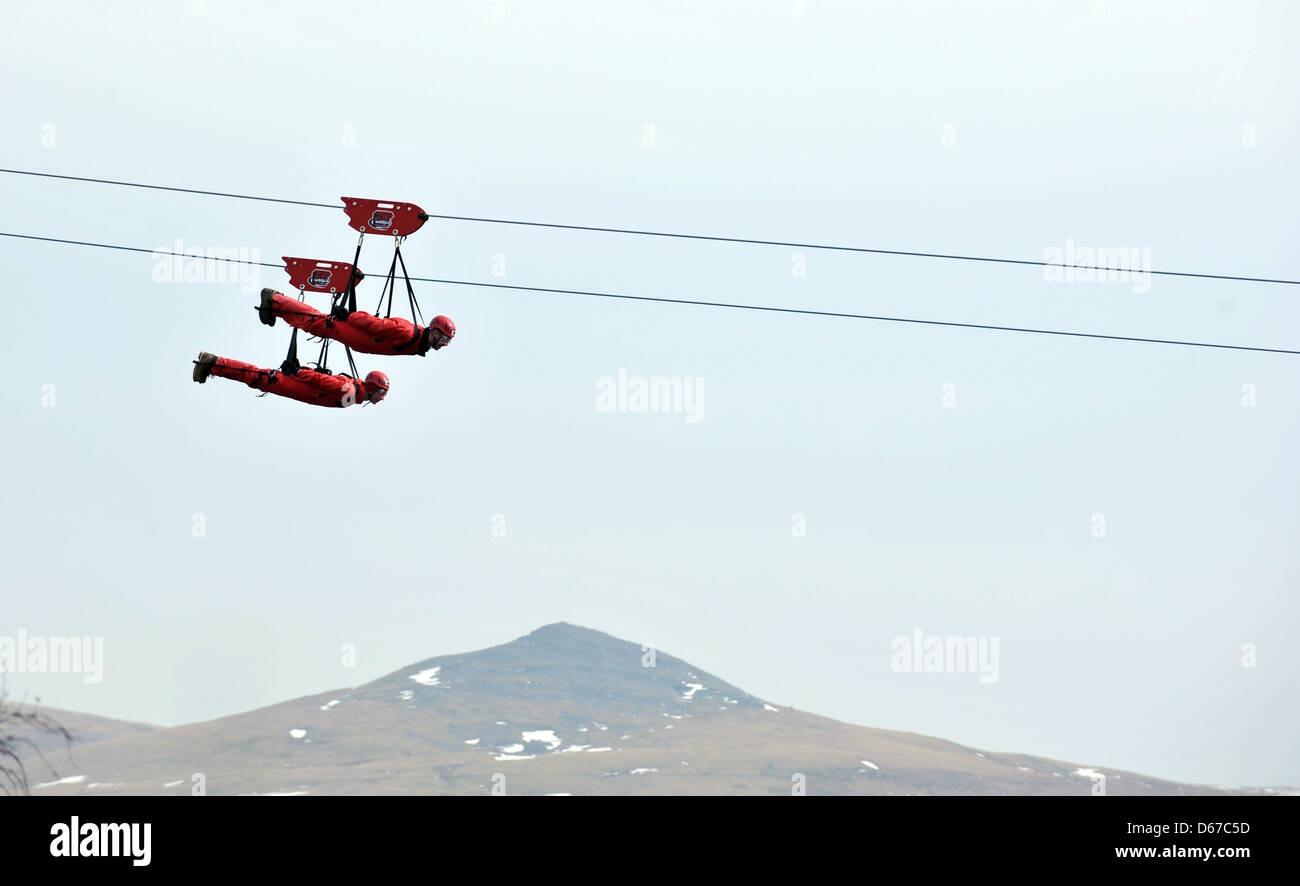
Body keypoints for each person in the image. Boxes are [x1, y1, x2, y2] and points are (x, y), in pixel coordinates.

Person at [257, 288, 455, 357]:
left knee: (313, 323)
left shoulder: (417, 342)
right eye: (444, 339)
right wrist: (348, 317)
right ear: (435, 332)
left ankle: (276, 306)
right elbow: (375, 324)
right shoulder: (407, 332)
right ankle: (274, 300)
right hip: (352, 331)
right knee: (314, 321)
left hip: (355, 337)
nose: (444, 344)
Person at [192, 351, 389, 408]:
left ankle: (214, 365)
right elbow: (323, 382)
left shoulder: (355, 395)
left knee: (256, 377)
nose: (381, 398)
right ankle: (213, 363)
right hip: (294, 384)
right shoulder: (353, 391)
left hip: (295, 388)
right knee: (256, 376)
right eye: (381, 392)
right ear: (372, 386)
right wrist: (298, 373)